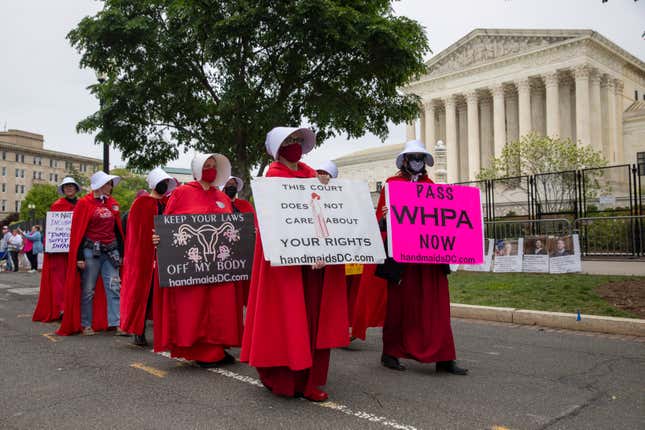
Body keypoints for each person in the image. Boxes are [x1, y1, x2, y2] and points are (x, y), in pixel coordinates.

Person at [241, 126, 349, 402]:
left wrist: (324, 248)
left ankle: (309, 379)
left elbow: (325, 215)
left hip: (315, 262)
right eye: (289, 141)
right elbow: (271, 223)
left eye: (298, 140)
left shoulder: (313, 175)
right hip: (286, 265)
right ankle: (282, 377)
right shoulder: (273, 177)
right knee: (285, 317)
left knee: (312, 319)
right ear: (278, 148)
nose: (295, 145)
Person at [358, 140, 467, 375]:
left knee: (437, 307)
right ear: (405, 161)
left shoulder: (432, 186)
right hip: (403, 260)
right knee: (400, 306)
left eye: (420, 157)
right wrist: (387, 218)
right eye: (413, 157)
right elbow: (381, 223)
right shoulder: (392, 185)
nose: (417, 161)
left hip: (430, 260)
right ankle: (391, 353)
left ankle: (444, 357)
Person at [153, 153, 243, 367]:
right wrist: (159, 238)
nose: (210, 170)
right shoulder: (182, 193)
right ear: (197, 169)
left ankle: (217, 348)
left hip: (219, 265)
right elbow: (168, 225)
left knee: (220, 307)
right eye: (206, 166)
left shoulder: (221, 197)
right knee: (194, 307)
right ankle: (199, 350)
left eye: (213, 166)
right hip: (192, 265)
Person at [57, 171, 125, 336]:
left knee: (114, 287)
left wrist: (121, 252)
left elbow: (117, 229)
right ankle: (86, 324)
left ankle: (116, 323)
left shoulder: (112, 203)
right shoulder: (84, 203)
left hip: (111, 251)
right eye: (108, 184)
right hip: (90, 251)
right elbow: (78, 232)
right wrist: (79, 257)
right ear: (100, 185)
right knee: (88, 289)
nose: (110, 187)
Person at [120, 168, 176, 346]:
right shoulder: (141, 203)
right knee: (145, 292)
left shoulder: (169, 203)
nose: (164, 185)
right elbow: (135, 233)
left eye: (166, 183)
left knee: (164, 294)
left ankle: (166, 333)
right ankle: (139, 329)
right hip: (144, 256)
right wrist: (148, 242)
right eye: (162, 182)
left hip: (165, 255)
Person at [33, 177, 81, 322]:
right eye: (66, 186)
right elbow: (52, 227)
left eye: (71, 186)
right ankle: (61, 308)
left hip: (77, 247)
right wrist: (50, 246)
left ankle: (75, 308)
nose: (69, 188)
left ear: (76, 188)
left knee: (77, 279)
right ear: (63, 189)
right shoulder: (57, 205)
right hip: (60, 251)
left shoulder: (82, 204)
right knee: (60, 280)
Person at [221, 175, 256, 305]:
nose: (232, 186)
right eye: (229, 183)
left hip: (242, 251)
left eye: (234, 184)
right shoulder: (217, 204)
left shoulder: (245, 205)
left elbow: (254, 225)